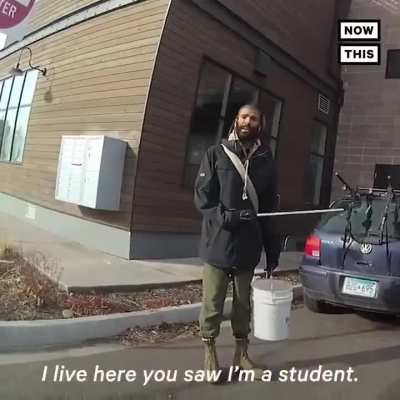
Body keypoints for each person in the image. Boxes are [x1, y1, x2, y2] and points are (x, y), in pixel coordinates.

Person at [194, 104, 281, 381]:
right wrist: (227, 217)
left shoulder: (266, 159)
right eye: (244, 117)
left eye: (254, 118)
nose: (248, 121)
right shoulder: (215, 154)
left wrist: (272, 251)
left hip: (248, 247)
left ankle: (241, 355)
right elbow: (203, 199)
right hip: (218, 243)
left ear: (260, 125)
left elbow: (268, 211)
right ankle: (210, 355)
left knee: (244, 305)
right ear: (236, 120)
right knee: (212, 303)